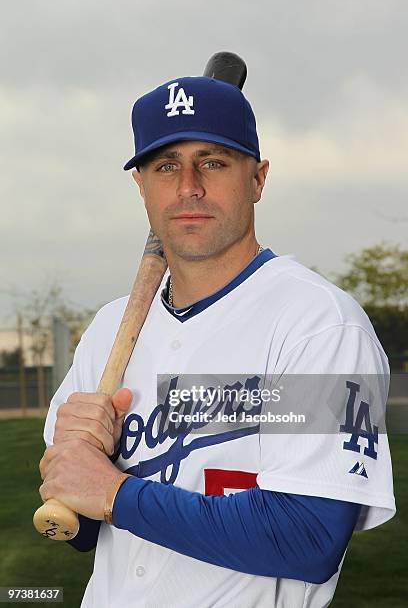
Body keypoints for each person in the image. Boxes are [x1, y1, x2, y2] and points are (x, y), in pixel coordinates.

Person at [39, 74, 395, 608]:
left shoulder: (317, 324)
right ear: (141, 185)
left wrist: (114, 492)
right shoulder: (112, 329)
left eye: (212, 162)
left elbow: (309, 536)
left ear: (258, 178)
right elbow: (81, 526)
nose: (188, 187)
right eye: (166, 167)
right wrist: (78, 468)